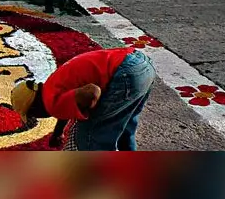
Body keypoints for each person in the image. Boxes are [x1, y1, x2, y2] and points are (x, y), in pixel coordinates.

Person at [9, 47, 156, 151]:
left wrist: (92, 114)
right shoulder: (51, 87)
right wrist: (58, 131)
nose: (37, 118)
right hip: (141, 63)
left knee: (90, 139)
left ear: (35, 107)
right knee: (125, 130)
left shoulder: (51, 104)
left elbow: (92, 92)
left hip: (125, 74)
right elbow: (66, 105)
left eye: (33, 115)